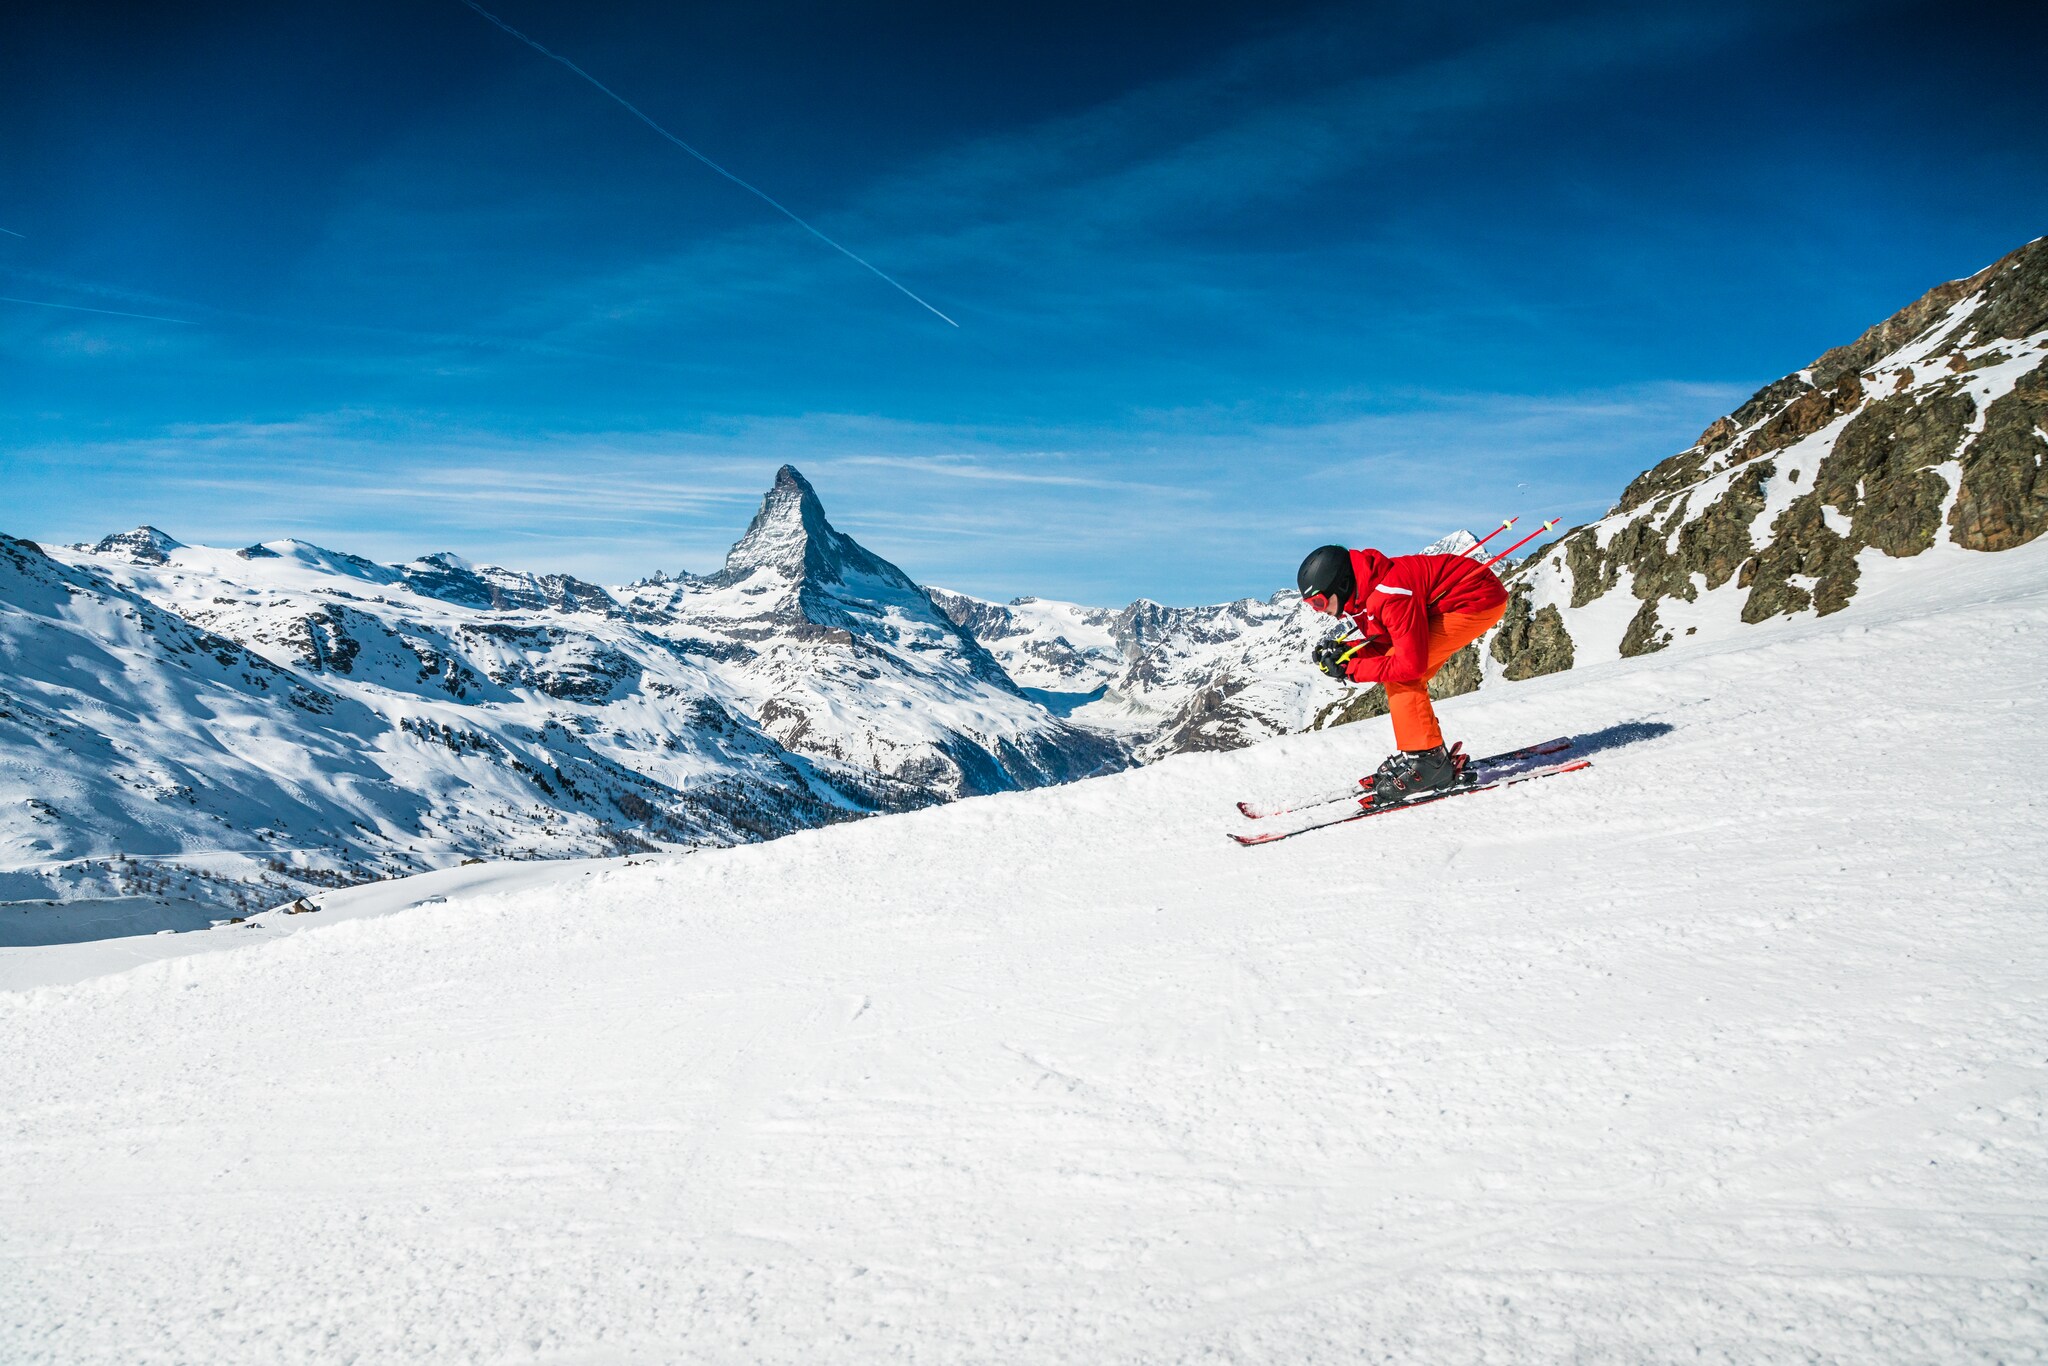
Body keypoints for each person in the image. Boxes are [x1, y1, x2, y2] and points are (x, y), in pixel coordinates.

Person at [1296, 543, 1509, 805]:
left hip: (1475, 600)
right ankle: (1425, 753)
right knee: (1397, 669)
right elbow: (1390, 640)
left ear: (1340, 584)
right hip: (1455, 599)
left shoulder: (1388, 593)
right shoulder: (1366, 593)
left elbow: (1409, 664)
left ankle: (1428, 761)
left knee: (1402, 675)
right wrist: (1346, 653)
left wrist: (1351, 670)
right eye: (1311, 605)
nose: (1320, 611)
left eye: (1319, 602)